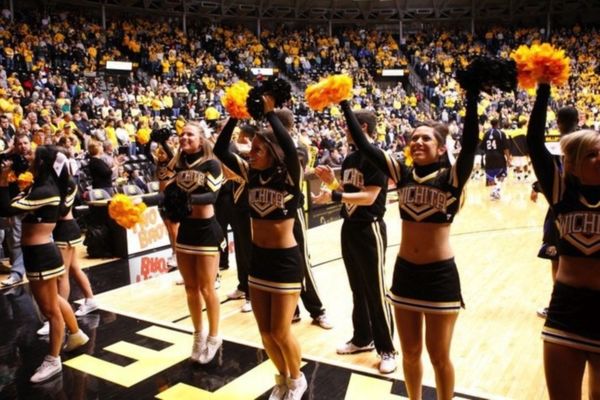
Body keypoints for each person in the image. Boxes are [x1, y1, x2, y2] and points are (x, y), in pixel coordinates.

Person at [339, 86, 479, 399]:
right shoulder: (402, 174)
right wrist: (344, 102)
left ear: (441, 149)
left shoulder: (451, 179)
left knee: (439, 356)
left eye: (426, 138)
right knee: (411, 353)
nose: (417, 141)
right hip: (405, 275)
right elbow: (364, 143)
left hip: (440, 276)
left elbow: (470, 145)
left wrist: (472, 99)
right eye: (414, 137)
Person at [214, 95, 307, 400]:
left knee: (280, 330)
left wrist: (270, 115)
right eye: (251, 149)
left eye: (257, 149)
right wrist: (234, 115)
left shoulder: (291, 175)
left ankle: (297, 380)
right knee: (265, 332)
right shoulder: (251, 175)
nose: (250, 153)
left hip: (284, 261)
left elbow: (290, 149)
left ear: (273, 153)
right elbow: (219, 149)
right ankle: (281, 379)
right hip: (259, 261)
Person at [527, 83, 600, 399]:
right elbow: (534, 143)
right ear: (575, 163)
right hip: (565, 310)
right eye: (593, 155)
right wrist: (543, 87)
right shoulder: (561, 194)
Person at [312, 109, 396, 373]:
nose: (344, 131)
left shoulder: (376, 158)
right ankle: (363, 338)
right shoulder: (349, 160)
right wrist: (333, 183)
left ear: (361, 126)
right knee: (358, 288)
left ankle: (388, 349)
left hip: (370, 229)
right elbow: (350, 194)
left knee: (375, 289)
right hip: (349, 228)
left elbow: (369, 197)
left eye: (347, 127)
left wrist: (334, 197)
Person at [0, 145, 89, 383]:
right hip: (37, 253)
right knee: (55, 301)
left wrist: (2, 180)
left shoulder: (46, 190)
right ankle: (77, 333)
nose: (28, 158)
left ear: (42, 163)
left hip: (41, 255)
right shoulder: (41, 187)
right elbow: (16, 202)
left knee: (50, 310)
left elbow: (5, 208)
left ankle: (53, 359)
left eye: (32, 156)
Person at [162, 121, 225, 364]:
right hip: (186, 231)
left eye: (189, 134)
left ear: (201, 139)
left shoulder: (211, 163)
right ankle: (198, 335)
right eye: (182, 134)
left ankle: (214, 335)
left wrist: (184, 198)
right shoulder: (178, 163)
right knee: (190, 288)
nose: (184, 137)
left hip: (206, 230)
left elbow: (212, 195)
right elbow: (166, 188)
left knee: (207, 287)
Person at [274, 108, 332, 330]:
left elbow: (287, 168)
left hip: (292, 209)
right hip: (271, 210)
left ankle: (318, 311)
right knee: (279, 261)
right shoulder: (270, 145)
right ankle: (293, 309)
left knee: (300, 260)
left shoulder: (298, 148)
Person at [530, 106, 579, 318]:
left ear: (558, 121)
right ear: (579, 119)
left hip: (561, 209)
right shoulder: (589, 139)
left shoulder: (561, 145)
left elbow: (554, 175)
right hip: (588, 204)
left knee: (556, 259)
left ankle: (558, 304)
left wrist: (535, 186)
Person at [481, 118, 510, 200]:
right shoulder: (501, 133)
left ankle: (493, 192)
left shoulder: (486, 134)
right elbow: (506, 147)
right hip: (499, 157)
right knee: (502, 175)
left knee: (490, 176)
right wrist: (508, 158)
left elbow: (482, 147)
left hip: (488, 157)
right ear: (498, 124)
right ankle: (496, 191)